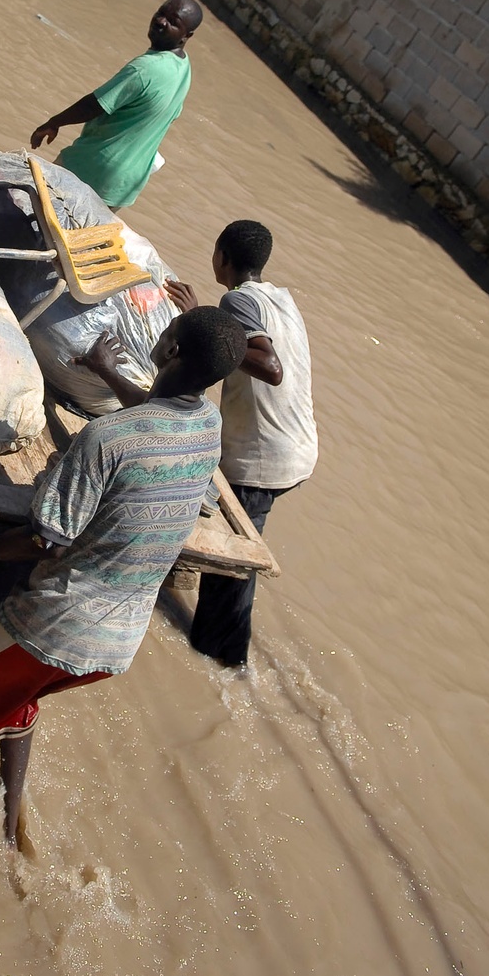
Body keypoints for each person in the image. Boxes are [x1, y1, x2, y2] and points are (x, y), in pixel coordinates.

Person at [0, 306, 247, 844]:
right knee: (12, 699)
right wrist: (105, 371)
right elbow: (155, 413)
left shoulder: (105, 439)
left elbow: (43, 538)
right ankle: (8, 832)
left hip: (56, 622)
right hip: (117, 646)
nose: (163, 332)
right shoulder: (207, 424)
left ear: (169, 350)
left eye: (168, 330)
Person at [165, 220, 318, 668]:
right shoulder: (280, 299)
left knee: (229, 564)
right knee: (231, 538)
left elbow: (269, 366)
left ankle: (222, 663)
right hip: (298, 447)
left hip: (263, 457)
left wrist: (201, 322)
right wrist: (207, 319)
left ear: (222, 257)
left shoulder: (237, 299)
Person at [28, 0, 202, 209]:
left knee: (34, 214)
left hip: (93, 168)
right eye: (161, 13)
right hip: (124, 185)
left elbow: (94, 105)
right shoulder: (184, 68)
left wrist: (53, 123)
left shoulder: (146, 68)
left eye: (172, 21)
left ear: (187, 36)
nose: (160, 21)